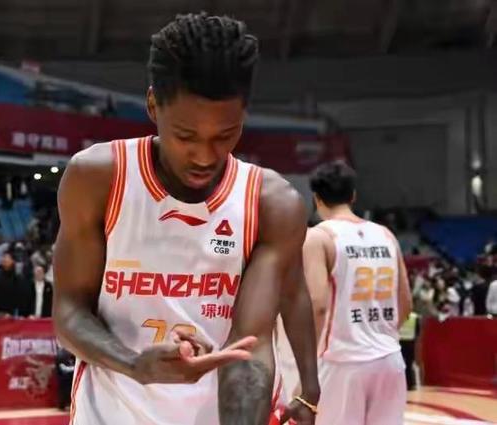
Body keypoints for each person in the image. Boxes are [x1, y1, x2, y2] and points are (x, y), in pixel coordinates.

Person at [52, 12, 319, 425]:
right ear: (153, 105)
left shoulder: (271, 202)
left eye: (225, 135)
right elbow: (69, 311)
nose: (205, 156)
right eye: (186, 136)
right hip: (109, 411)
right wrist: (134, 364)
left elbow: (249, 348)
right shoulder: (98, 177)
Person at [302, 161, 412, 425]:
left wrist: (307, 365)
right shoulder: (385, 235)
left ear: (316, 199)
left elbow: (318, 305)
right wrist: (377, 337)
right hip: (389, 359)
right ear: (353, 195)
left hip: (343, 361)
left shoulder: (318, 237)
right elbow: (406, 303)